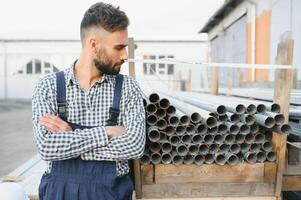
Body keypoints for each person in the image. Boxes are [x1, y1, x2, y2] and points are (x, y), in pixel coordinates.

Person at [32, 2, 146, 200]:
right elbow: (46, 147)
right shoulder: (47, 87)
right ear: (94, 44)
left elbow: (134, 145)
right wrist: (106, 132)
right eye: (119, 48)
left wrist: (71, 137)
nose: (125, 56)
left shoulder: (128, 88)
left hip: (111, 193)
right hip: (59, 193)